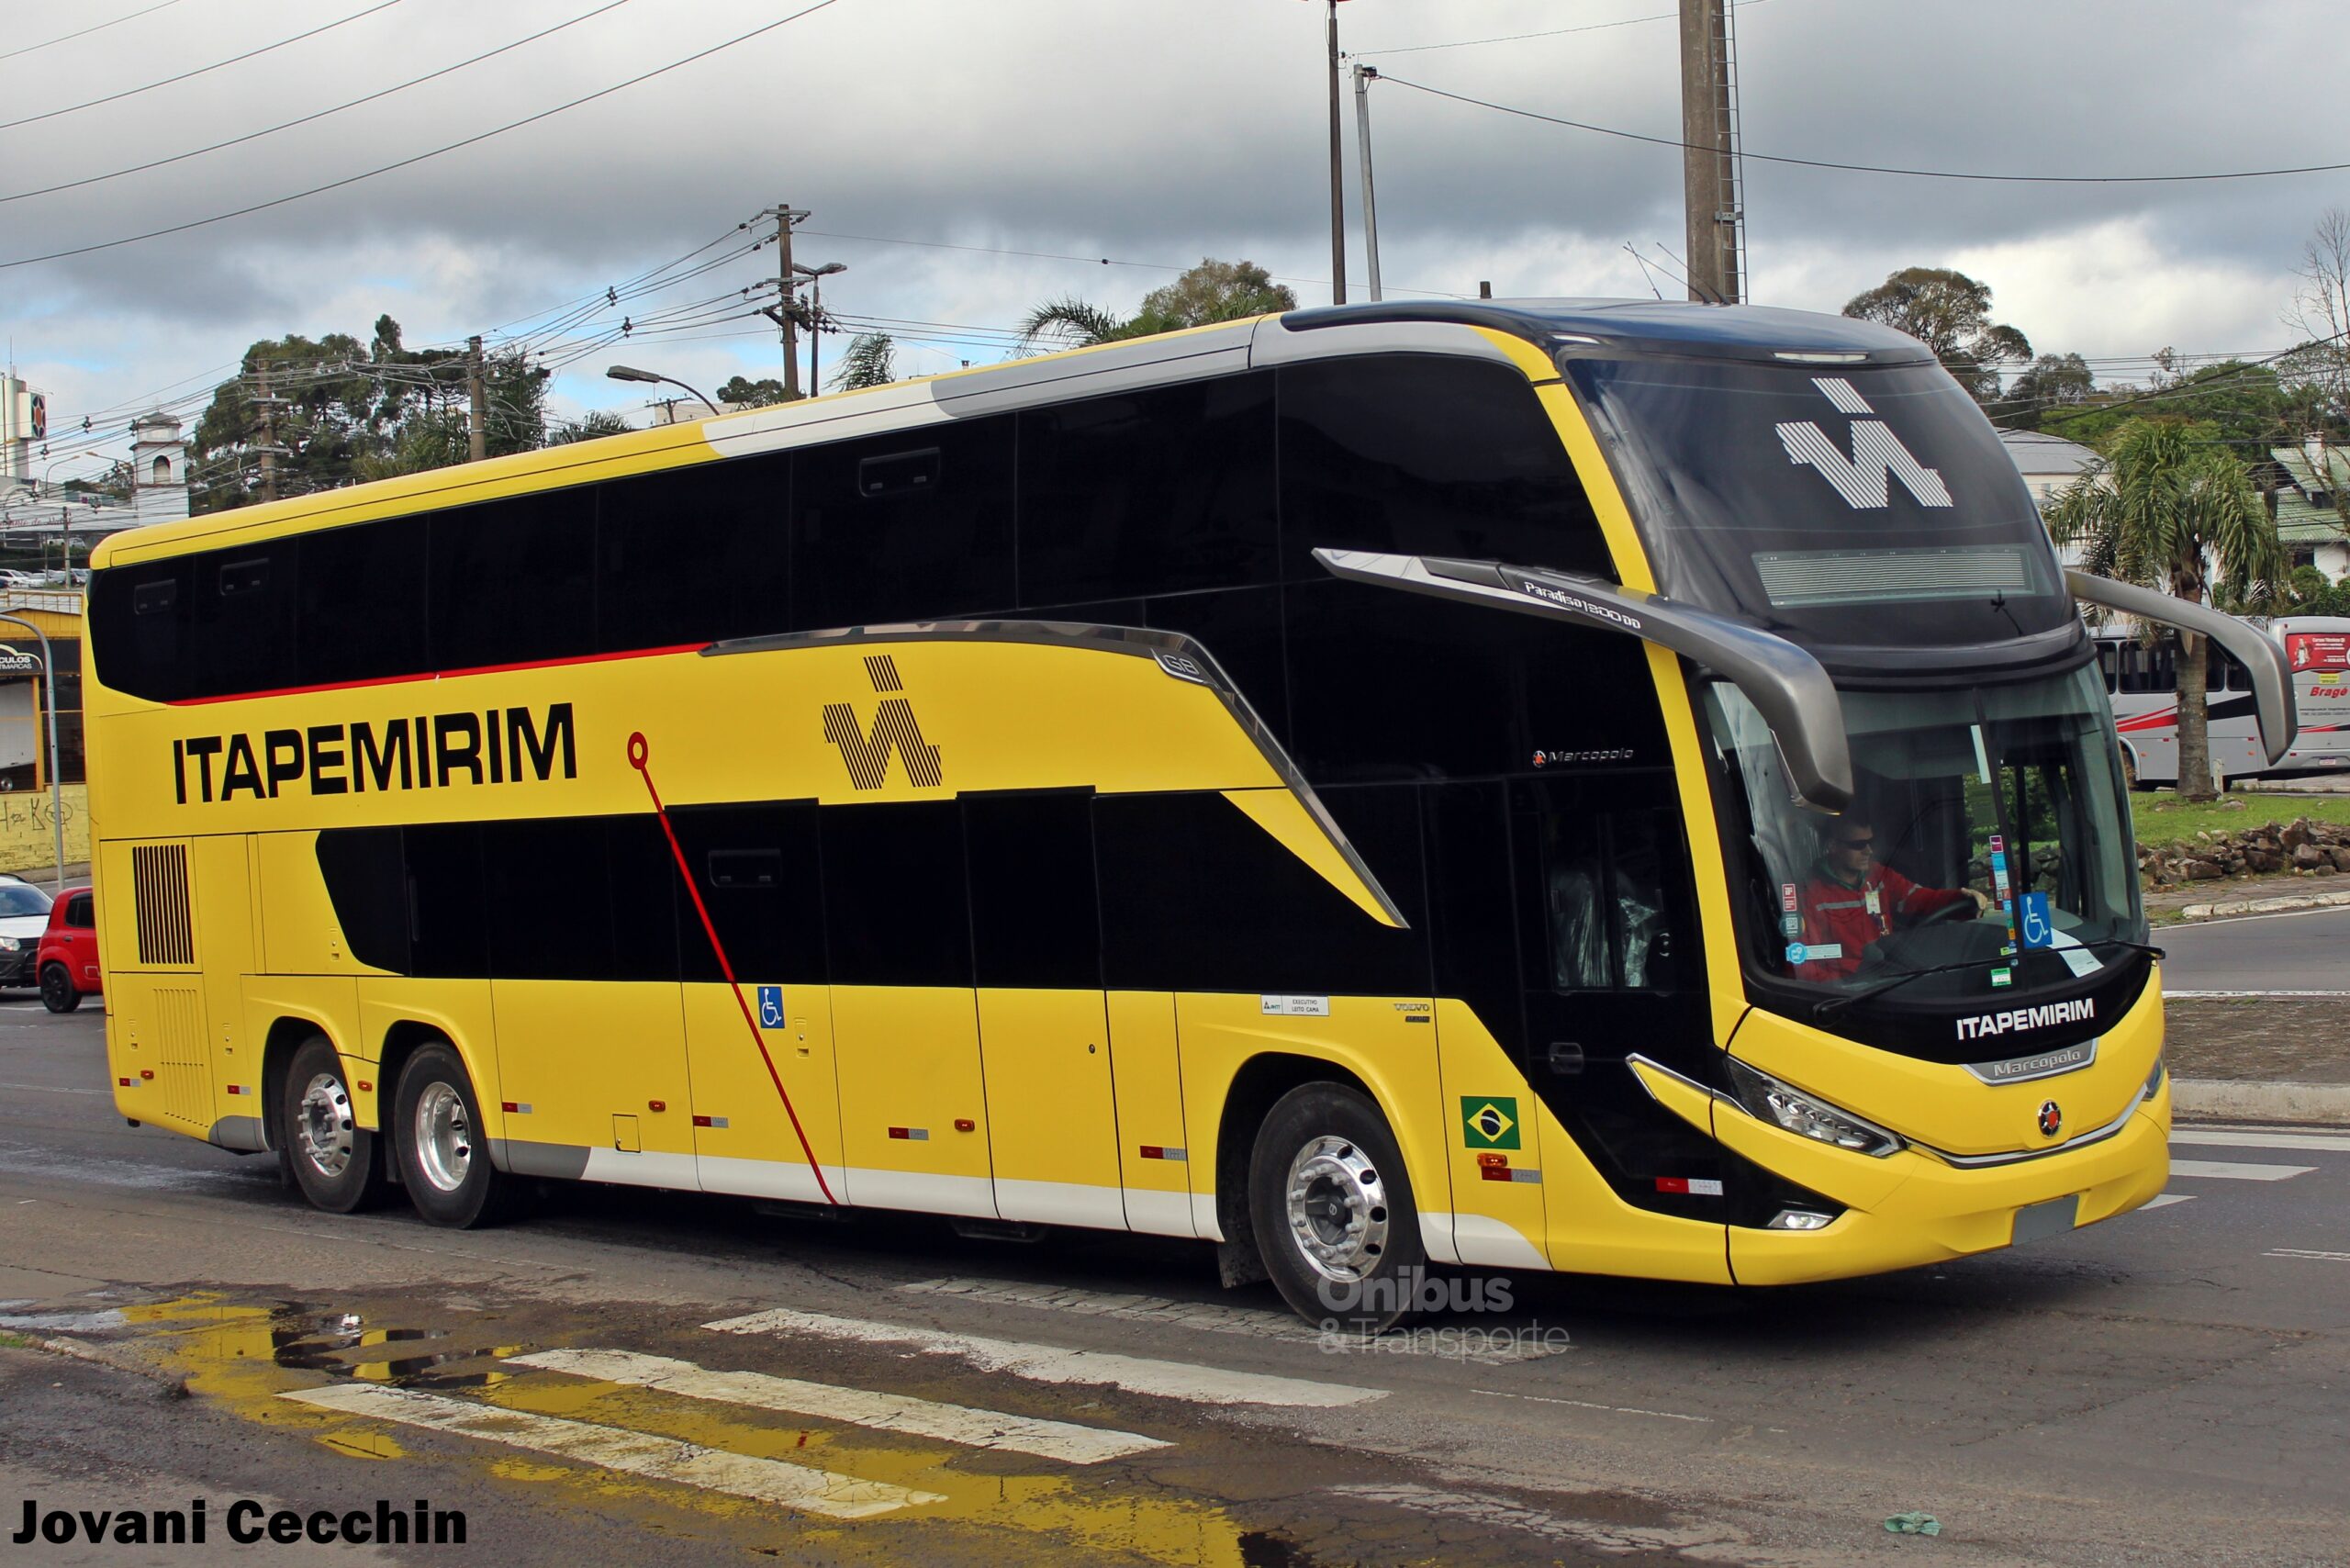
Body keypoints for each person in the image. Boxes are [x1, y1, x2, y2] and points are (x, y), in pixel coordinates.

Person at [1791, 818, 1987, 982]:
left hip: (1890, 979)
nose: (1868, 851)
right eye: (1858, 845)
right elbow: (1804, 961)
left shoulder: (1879, 876)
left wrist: (1963, 899)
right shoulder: (1810, 893)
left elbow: (1922, 899)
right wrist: (1841, 988)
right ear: (1833, 846)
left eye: (1870, 842)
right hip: (1851, 992)